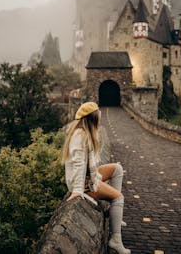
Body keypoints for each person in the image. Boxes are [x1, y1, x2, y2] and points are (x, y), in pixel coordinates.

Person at [62, 101, 131, 254]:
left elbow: (89, 164)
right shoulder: (80, 136)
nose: (100, 116)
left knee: (117, 169)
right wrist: (78, 190)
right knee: (118, 197)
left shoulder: (86, 131)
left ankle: (116, 218)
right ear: (93, 117)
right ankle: (116, 240)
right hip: (84, 184)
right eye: (98, 114)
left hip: (88, 176)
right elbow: (79, 164)